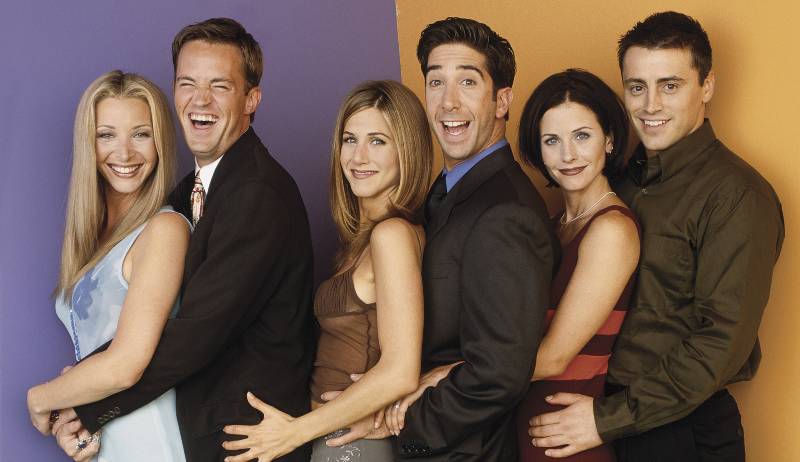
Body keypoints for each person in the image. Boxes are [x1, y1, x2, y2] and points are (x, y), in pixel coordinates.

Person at [50, 18, 316, 462]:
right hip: (201, 435)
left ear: (251, 99)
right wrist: (81, 386)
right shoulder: (189, 192)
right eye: (187, 83)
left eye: (219, 86)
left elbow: (193, 334)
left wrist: (77, 404)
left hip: (247, 442)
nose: (200, 99)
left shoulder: (257, 193)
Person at [529, 12, 785, 462]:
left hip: (680, 431)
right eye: (636, 87)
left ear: (706, 86)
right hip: (607, 420)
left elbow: (721, 343)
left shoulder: (736, 195)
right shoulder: (618, 181)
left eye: (670, 85)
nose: (650, 106)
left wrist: (606, 419)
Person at [327, 18, 556, 461]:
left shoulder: (505, 211)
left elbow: (498, 374)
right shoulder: (445, 191)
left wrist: (393, 423)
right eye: (436, 82)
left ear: (502, 100)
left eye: (467, 82)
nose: (448, 102)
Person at [219, 80, 433, 462]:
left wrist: (292, 432)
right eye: (350, 140)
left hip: (353, 445)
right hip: (335, 436)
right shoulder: (365, 239)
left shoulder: (392, 235)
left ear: (407, 150)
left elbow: (400, 370)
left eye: (378, 141)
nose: (359, 156)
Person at [26, 70, 189, 461]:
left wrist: (41, 399)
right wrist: (74, 421)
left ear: (161, 141)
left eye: (141, 134)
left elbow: (125, 366)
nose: (125, 153)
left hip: (155, 445)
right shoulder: (96, 242)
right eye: (106, 135)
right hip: (110, 444)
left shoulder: (164, 229)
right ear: (89, 143)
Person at [511, 69, 640, 462]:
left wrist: (451, 374)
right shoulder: (553, 227)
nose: (567, 155)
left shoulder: (612, 229)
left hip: (567, 444)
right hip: (524, 433)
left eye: (582, 136)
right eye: (552, 140)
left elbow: (554, 358)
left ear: (610, 139)